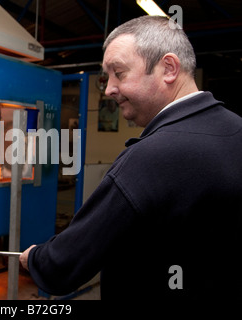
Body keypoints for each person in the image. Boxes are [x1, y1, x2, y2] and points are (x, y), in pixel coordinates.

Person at [19, 15, 242, 300]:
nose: (109, 88)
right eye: (107, 76)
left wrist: (37, 258)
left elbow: (64, 266)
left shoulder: (152, 156)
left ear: (169, 68)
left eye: (119, 73)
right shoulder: (237, 129)